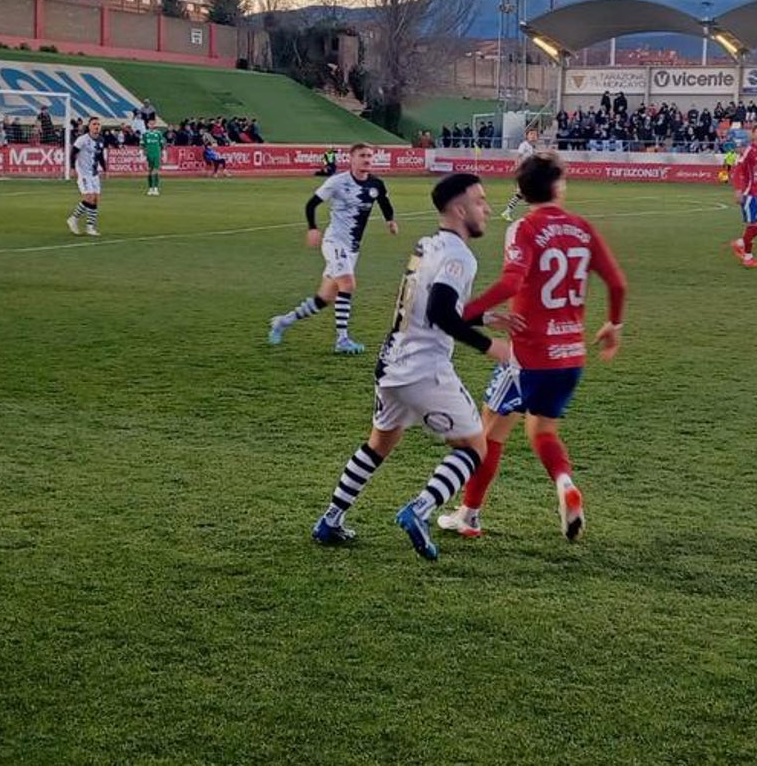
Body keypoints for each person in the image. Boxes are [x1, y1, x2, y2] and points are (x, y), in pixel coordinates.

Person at [310, 173, 515, 560]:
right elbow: (439, 312)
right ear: (459, 209)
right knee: (475, 446)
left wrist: (484, 318)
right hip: (424, 369)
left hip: (391, 362)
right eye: (480, 200)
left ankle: (331, 519)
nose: (487, 208)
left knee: (379, 444)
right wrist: (493, 348)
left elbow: (428, 305)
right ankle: (419, 509)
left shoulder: (427, 243)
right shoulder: (459, 255)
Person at [441, 152, 627, 542]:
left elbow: (511, 283)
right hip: (571, 354)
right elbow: (617, 283)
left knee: (488, 432)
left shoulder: (523, 229)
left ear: (522, 194)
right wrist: (613, 324)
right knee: (542, 428)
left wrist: (465, 312)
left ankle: (469, 516)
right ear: (559, 185)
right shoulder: (582, 228)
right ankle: (563, 481)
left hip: (528, 355)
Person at [268, 143, 399, 354]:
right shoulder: (338, 182)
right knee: (347, 283)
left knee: (324, 298)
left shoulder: (376, 184)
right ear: (351, 159)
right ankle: (342, 340)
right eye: (362, 155)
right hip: (334, 242)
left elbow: (383, 200)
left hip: (353, 248)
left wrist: (390, 220)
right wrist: (312, 228)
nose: (367, 159)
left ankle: (283, 322)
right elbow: (311, 204)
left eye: (369, 156)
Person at [729, 123, 757, 269]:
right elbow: (738, 170)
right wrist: (738, 190)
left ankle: (740, 243)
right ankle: (748, 257)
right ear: (753, 135)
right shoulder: (748, 151)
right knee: (752, 224)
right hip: (748, 194)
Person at [66, 117, 107, 237]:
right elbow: (73, 153)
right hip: (83, 173)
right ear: (89, 126)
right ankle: (73, 218)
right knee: (89, 197)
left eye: (98, 124)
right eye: (94, 124)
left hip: (94, 174)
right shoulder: (82, 139)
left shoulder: (101, 140)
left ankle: (90, 227)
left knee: (95, 199)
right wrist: (72, 168)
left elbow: (100, 157)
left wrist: (105, 169)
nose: (97, 126)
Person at [500, 128, 539, 221]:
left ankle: (508, 212)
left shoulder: (533, 147)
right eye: (531, 134)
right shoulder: (524, 145)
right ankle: (508, 212)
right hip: (524, 172)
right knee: (526, 193)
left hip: (529, 172)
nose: (533, 136)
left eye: (535, 134)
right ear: (527, 136)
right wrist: (519, 169)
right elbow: (518, 157)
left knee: (524, 193)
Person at [141, 120, 165, 196]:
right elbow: (142, 145)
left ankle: (155, 188)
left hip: (156, 154)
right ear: (148, 125)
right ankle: (150, 188)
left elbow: (162, 144)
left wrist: (163, 153)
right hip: (149, 154)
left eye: (153, 124)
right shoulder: (145, 134)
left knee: (155, 170)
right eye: (150, 124)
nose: (152, 125)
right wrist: (142, 154)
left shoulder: (158, 134)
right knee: (150, 171)